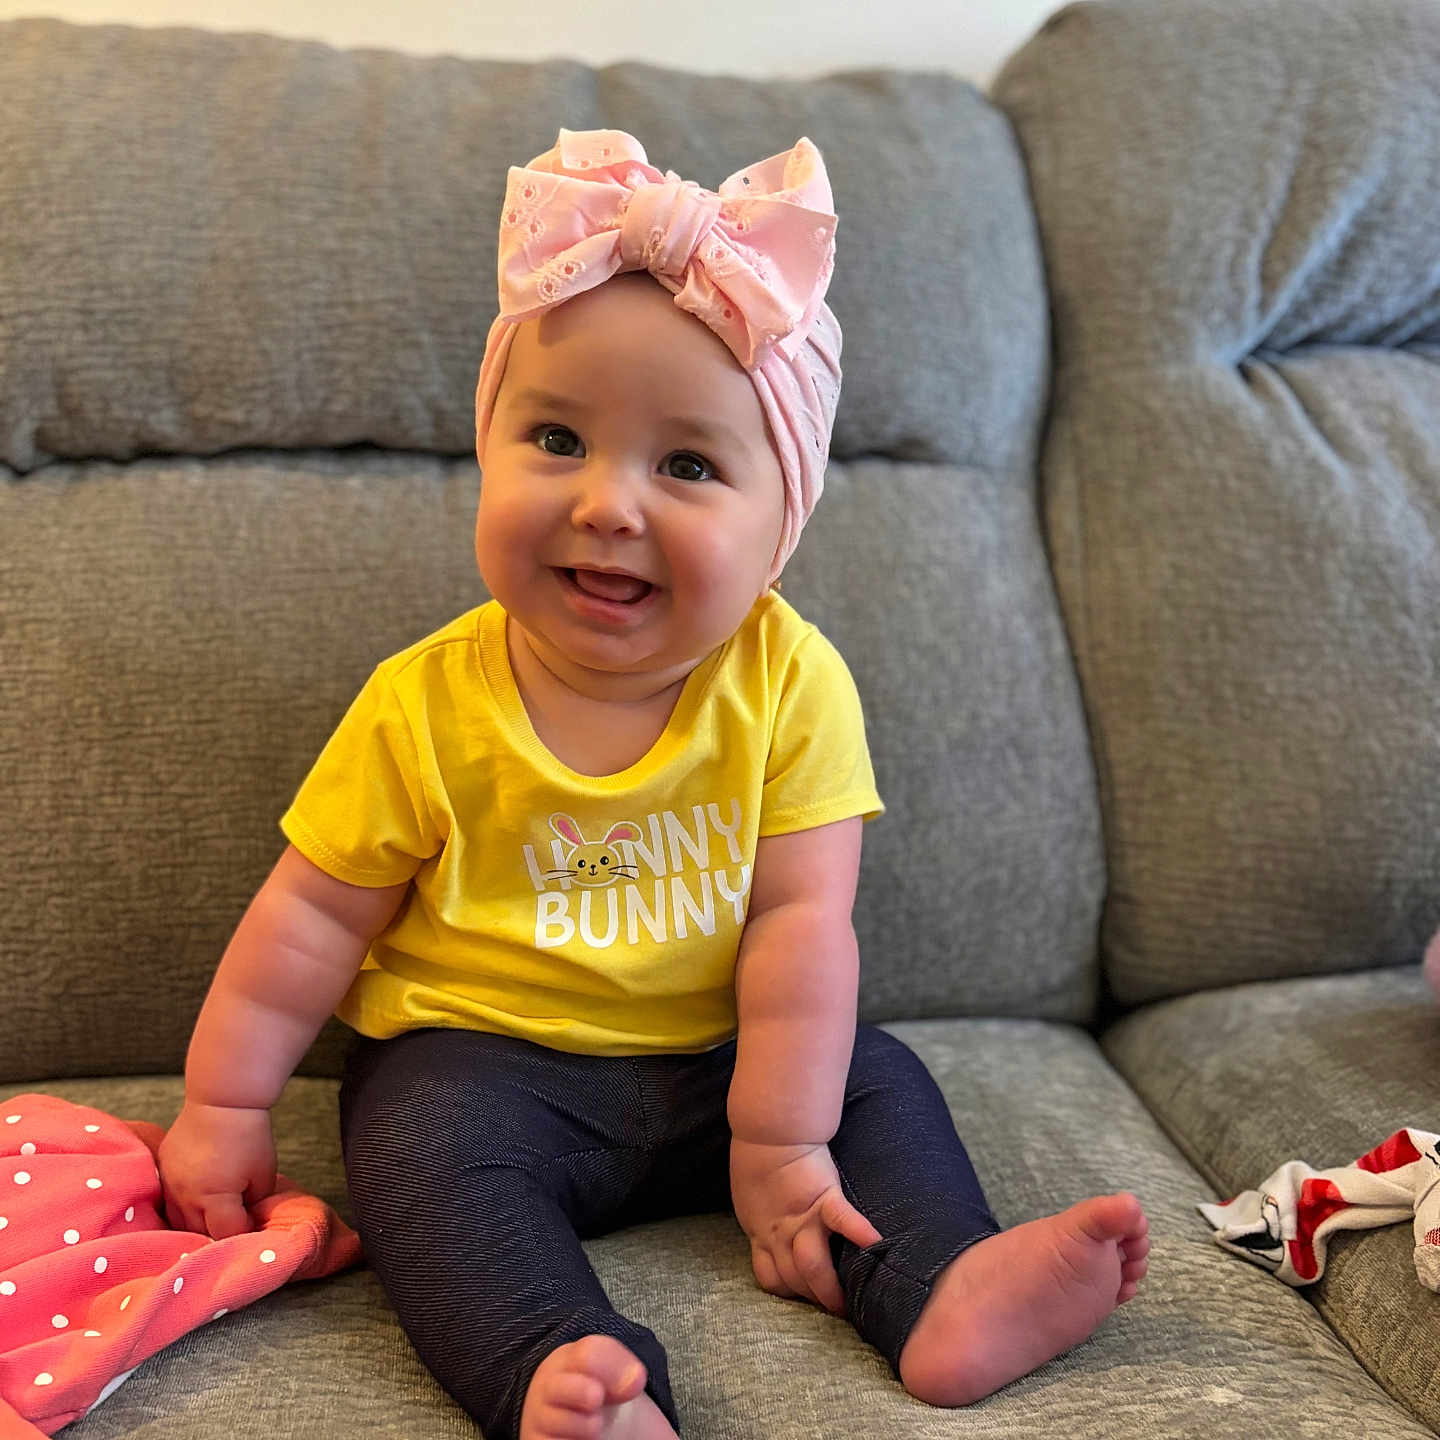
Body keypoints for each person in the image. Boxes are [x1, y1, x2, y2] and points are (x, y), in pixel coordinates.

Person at [157, 128, 1150, 1440]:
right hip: (484, 1065)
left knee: (874, 1077)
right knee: (416, 1151)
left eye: (686, 466)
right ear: (489, 448)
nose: (609, 504)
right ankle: (563, 1376)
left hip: (732, 1055)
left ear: (778, 521)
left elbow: (802, 926)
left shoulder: (792, 685)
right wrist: (223, 1106)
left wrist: (783, 1144)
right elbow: (311, 919)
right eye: (558, 438)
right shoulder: (424, 701)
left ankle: (943, 1288)